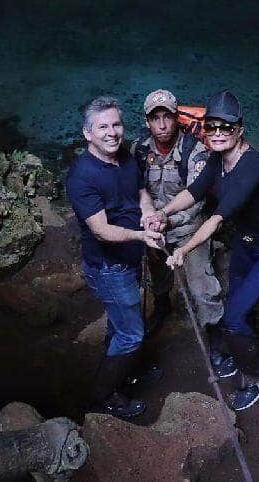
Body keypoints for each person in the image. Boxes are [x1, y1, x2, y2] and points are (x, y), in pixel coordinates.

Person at [149, 90, 259, 411]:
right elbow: (193, 191)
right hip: (247, 241)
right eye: (211, 127)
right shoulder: (217, 160)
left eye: (225, 128)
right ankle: (243, 341)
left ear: (240, 130)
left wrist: (183, 250)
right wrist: (163, 213)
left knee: (232, 318)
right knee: (237, 305)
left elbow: (216, 220)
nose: (217, 134)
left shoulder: (252, 166)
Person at [66, 96, 165, 419]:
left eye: (116, 124)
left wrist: (149, 215)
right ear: (87, 134)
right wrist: (141, 235)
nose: (112, 133)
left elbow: (140, 194)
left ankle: (125, 372)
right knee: (131, 333)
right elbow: (101, 230)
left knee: (121, 324)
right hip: (109, 267)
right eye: (103, 127)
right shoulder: (82, 177)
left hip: (129, 259)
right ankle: (105, 394)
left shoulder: (126, 157)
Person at [131, 90, 225, 346]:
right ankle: (162, 306)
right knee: (156, 274)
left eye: (167, 117)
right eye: (155, 118)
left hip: (189, 229)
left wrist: (169, 220)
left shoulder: (194, 151)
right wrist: (148, 217)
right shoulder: (139, 150)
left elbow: (198, 199)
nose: (161, 125)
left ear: (177, 118)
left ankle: (216, 335)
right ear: (146, 121)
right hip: (155, 227)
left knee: (201, 286)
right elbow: (137, 189)